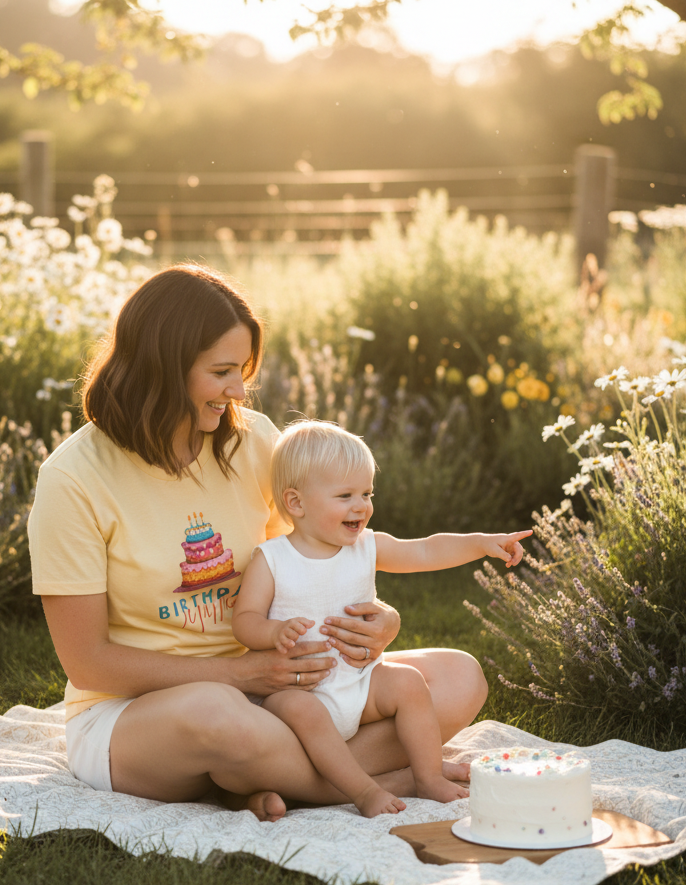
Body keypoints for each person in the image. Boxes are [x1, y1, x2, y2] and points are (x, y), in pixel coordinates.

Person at [28, 264, 489, 821]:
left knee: (458, 677)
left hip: (276, 689)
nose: (238, 391)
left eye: (241, 371)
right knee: (216, 714)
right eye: (221, 371)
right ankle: (372, 779)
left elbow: (303, 561)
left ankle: (252, 779)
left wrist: (381, 623)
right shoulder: (73, 479)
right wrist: (239, 675)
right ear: (161, 368)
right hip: (139, 716)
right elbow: (89, 663)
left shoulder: (256, 443)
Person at [232, 420, 531, 816]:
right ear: (296, 502)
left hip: (359, 681)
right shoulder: (271, 559)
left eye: (366, 493)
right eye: (345, 495)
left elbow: (425, 550)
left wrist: (480, 544)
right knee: (303, 712)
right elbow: (245, 621)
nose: (361, 506)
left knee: (407, 682)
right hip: (299, 693)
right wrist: (275, 631)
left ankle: (426, 776)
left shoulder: (366, 546)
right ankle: (363, 791)